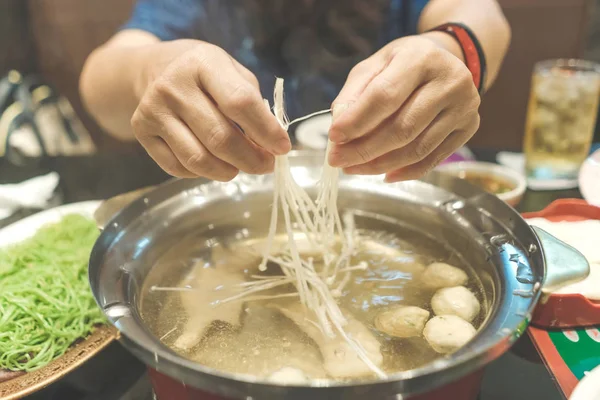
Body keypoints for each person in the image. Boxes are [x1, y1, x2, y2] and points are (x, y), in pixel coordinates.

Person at [80, 0, 510, 183]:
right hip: (238, 188)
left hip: (388, 182)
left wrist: (451, 49)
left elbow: (480, 13)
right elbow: (101, 77)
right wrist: (146, 72)